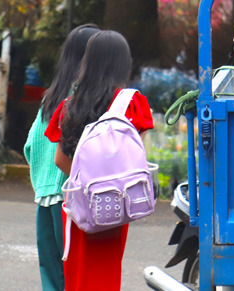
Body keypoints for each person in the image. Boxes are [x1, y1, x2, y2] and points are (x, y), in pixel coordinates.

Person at [44, 30, 154, 291]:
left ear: (87, 62)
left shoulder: (70, 105)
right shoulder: (132, 102)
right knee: (105, 274)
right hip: (115, 200)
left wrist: (86, 182)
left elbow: (60, 159)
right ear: (122, 63)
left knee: (77, 275)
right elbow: (136, 155)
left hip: (78, 204)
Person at [24, 24, 98, 291]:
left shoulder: (51, 97)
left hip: (44, 198)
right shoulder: (83, 99)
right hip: (70, 197)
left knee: (52, 274)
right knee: (76, 274)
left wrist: (42, 179)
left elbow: (30, 146)